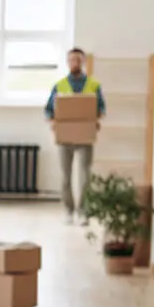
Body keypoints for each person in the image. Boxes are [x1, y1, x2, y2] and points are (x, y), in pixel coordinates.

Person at [45, 47, 106, 225]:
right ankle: (68, 210)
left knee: (85, 177)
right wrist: (53, 122)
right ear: (67, 62)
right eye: (72, 60)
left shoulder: (94, 85)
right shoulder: (60, 85)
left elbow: (101, 108)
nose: (75, 63)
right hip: (65, 138)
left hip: (85, 137)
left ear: (83, 62)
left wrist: (96, 119)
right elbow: (48, 110)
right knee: (65, 177)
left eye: (78, 60)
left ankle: (84, 211)